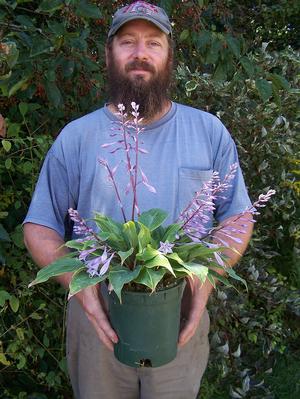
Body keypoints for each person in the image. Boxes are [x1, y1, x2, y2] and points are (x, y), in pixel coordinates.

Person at [23, 1, 253, 398]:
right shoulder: (77, 137)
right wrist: (80, 288)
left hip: (180, 315)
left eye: (153, 42)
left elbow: (237, 217)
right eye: (127, 42)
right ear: (109, 54)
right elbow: (39, 226)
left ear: (169, 54)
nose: (140, 53)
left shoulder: (208, 131)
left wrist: (206, 283)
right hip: (97, 322)